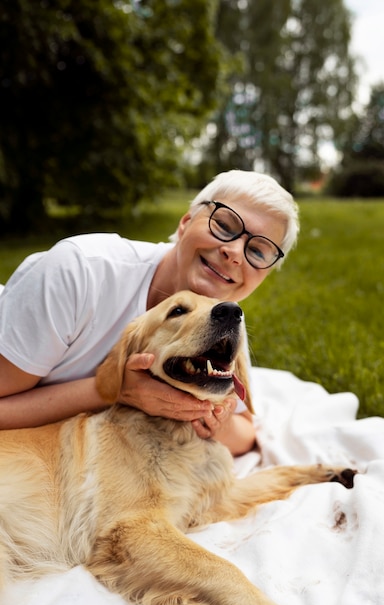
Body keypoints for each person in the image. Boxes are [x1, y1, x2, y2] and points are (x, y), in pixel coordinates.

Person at [0, 170, 299, 455]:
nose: (234, 252)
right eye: (224, 225)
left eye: (258, 251)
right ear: (185, 223)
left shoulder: (222, 318)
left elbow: (245, 432)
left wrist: (213, 420)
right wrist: (116, 390)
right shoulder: (78, 273)